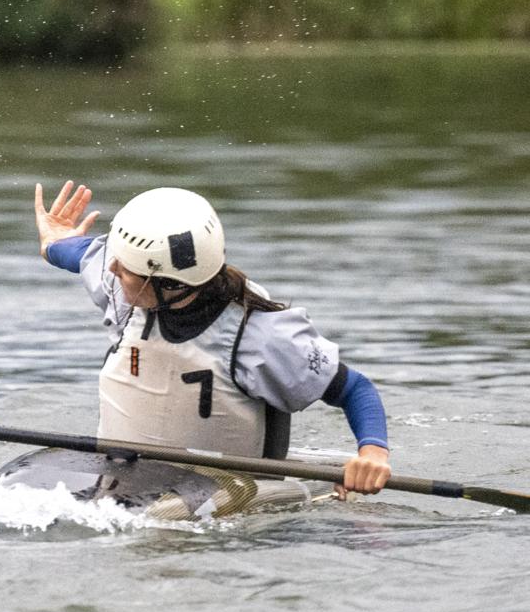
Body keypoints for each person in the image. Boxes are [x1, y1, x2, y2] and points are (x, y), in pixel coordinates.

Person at [33, 180, 391, 496]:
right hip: (126, 476)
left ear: (167, 284)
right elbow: (81, 255)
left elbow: (353, 388)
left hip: (227, 489)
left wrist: (372, 454)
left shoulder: (262, 336)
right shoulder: (129, 284)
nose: (111, 270)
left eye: (123, 268)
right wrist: (54, 243)